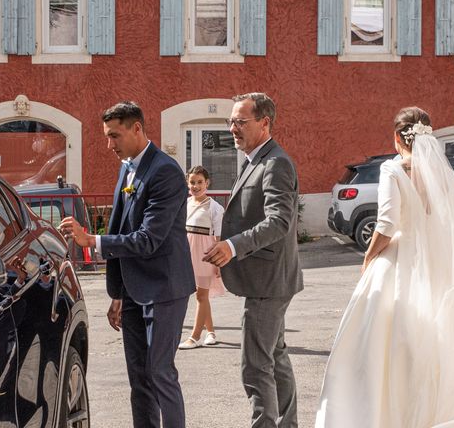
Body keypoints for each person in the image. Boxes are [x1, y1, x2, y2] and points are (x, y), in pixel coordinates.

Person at [315, 107, 454, 428]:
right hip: (434, 260)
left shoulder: (393, 169)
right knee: (448, 329)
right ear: (427, 136)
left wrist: (369, 256)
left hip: (401, 258)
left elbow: (387, 224)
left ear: (395, 137)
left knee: (388, 339)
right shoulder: (441, 172)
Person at [59, 101, 195, 428]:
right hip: (133, 290)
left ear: (137, 128)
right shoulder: (128, 167)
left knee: (160, 372)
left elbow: (149, 238)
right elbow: (121, 226)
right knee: (139, 379)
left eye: (114, 136)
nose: (109, 145)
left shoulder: (165, 170)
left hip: (163, 288)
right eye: (107, 136)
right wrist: (118, 293)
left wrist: (92, 241)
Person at [203, 93, 303, 428]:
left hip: (268, 281)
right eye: (230, 121)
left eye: (240, 121)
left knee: (255, 365)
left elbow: (279, 221)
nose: (232, 128)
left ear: (264, 123)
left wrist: (233, 247)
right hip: (267, 279)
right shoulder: (255, 160)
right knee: (275, 357)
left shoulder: (276, 163)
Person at [178, 166, 225, 349]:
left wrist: (218, 262)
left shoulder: (215, 208)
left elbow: (219, 237)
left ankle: (195, 337)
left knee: (201, 295)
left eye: (199, 182)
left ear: (207, 183)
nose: (195, 186)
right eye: (192, 182)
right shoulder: (186, 203)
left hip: (206, 255)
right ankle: (211, 332)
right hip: (187, 252)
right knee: (200, 295)